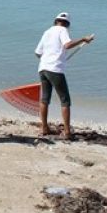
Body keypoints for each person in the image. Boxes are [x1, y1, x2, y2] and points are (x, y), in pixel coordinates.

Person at [35, 12, 95, 140]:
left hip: (43, 68)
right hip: (55, 70)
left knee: (45, 99)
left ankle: (44, 128)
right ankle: (67, 132)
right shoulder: (62, 30)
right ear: (67, 24)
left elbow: (37, 52)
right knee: (65, 100)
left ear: (55, 21)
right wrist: (83, 39)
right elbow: (67, 45)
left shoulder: (47, 32)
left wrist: (49, 58)